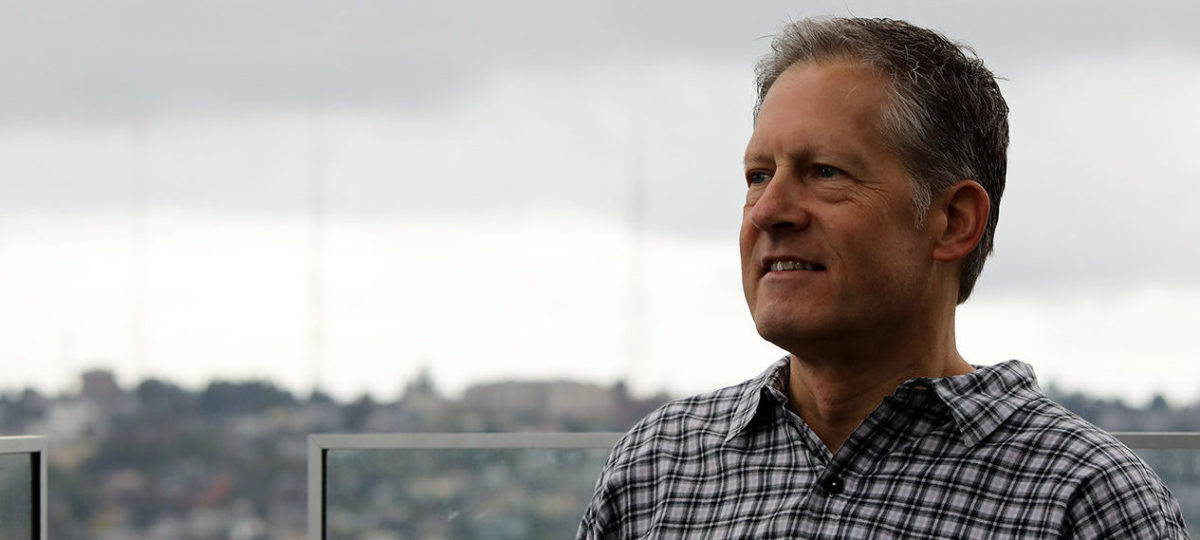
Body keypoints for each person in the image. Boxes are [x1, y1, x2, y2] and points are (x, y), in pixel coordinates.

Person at [577, 17, 1189, 539]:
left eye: (825, 171)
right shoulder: (657, 468)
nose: (768, 211)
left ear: (952, 221)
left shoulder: (1082, 500)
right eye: (758, 175)